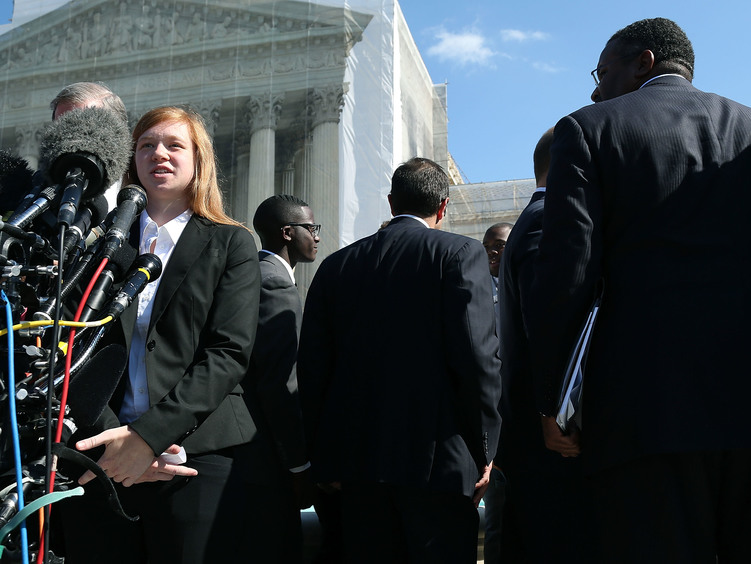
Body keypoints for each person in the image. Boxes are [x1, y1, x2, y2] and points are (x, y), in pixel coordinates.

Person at [528, 18, 751, 562]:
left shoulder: (587, 129)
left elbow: (567, 274)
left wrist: (554, 398)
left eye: (602, 73)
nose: (595, 88)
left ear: (644, 63)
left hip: (647, 409)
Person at [59, 105, 261, 563]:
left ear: (198, 160)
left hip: (195, 454)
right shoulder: (102, 246)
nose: (159, 154)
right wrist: (117, 442)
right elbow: (71, 347)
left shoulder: (231, 242)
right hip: (101, 452)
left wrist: (147, 438)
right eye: (147, 145)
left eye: (174, 145)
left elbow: (228, 353)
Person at [297, 157, 502, 564]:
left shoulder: (335, 267)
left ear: (391, 203)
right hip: (439, 466)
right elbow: (478, 358)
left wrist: (324, 458)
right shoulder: (461, 253)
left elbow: (313, 370)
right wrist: (486, 449)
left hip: (356, 468)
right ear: (443, 207)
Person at [496, 127, 594, 563]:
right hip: (550, 436)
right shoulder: (547, 219)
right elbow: (547, 323)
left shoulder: (536, 218)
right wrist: (554, 411)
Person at [243, 194, 320, 563]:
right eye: (311, 228)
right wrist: (299, 465)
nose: (317, 236)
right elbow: (280, 382)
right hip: (265, 453)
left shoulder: (249, 274)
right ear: (287, 232)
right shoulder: (275, 284)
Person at [479, 221, 511, 564]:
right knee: (497, 517)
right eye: (489, 244)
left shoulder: (525, 285)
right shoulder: (476, 289)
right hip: (494, 419)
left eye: (500, 245)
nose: (493, 250)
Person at [50, 81, 129, 210]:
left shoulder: (145, 193)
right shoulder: (37, 196)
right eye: (62, 127)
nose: (70, 137)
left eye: (85, 125)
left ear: (117, 131)